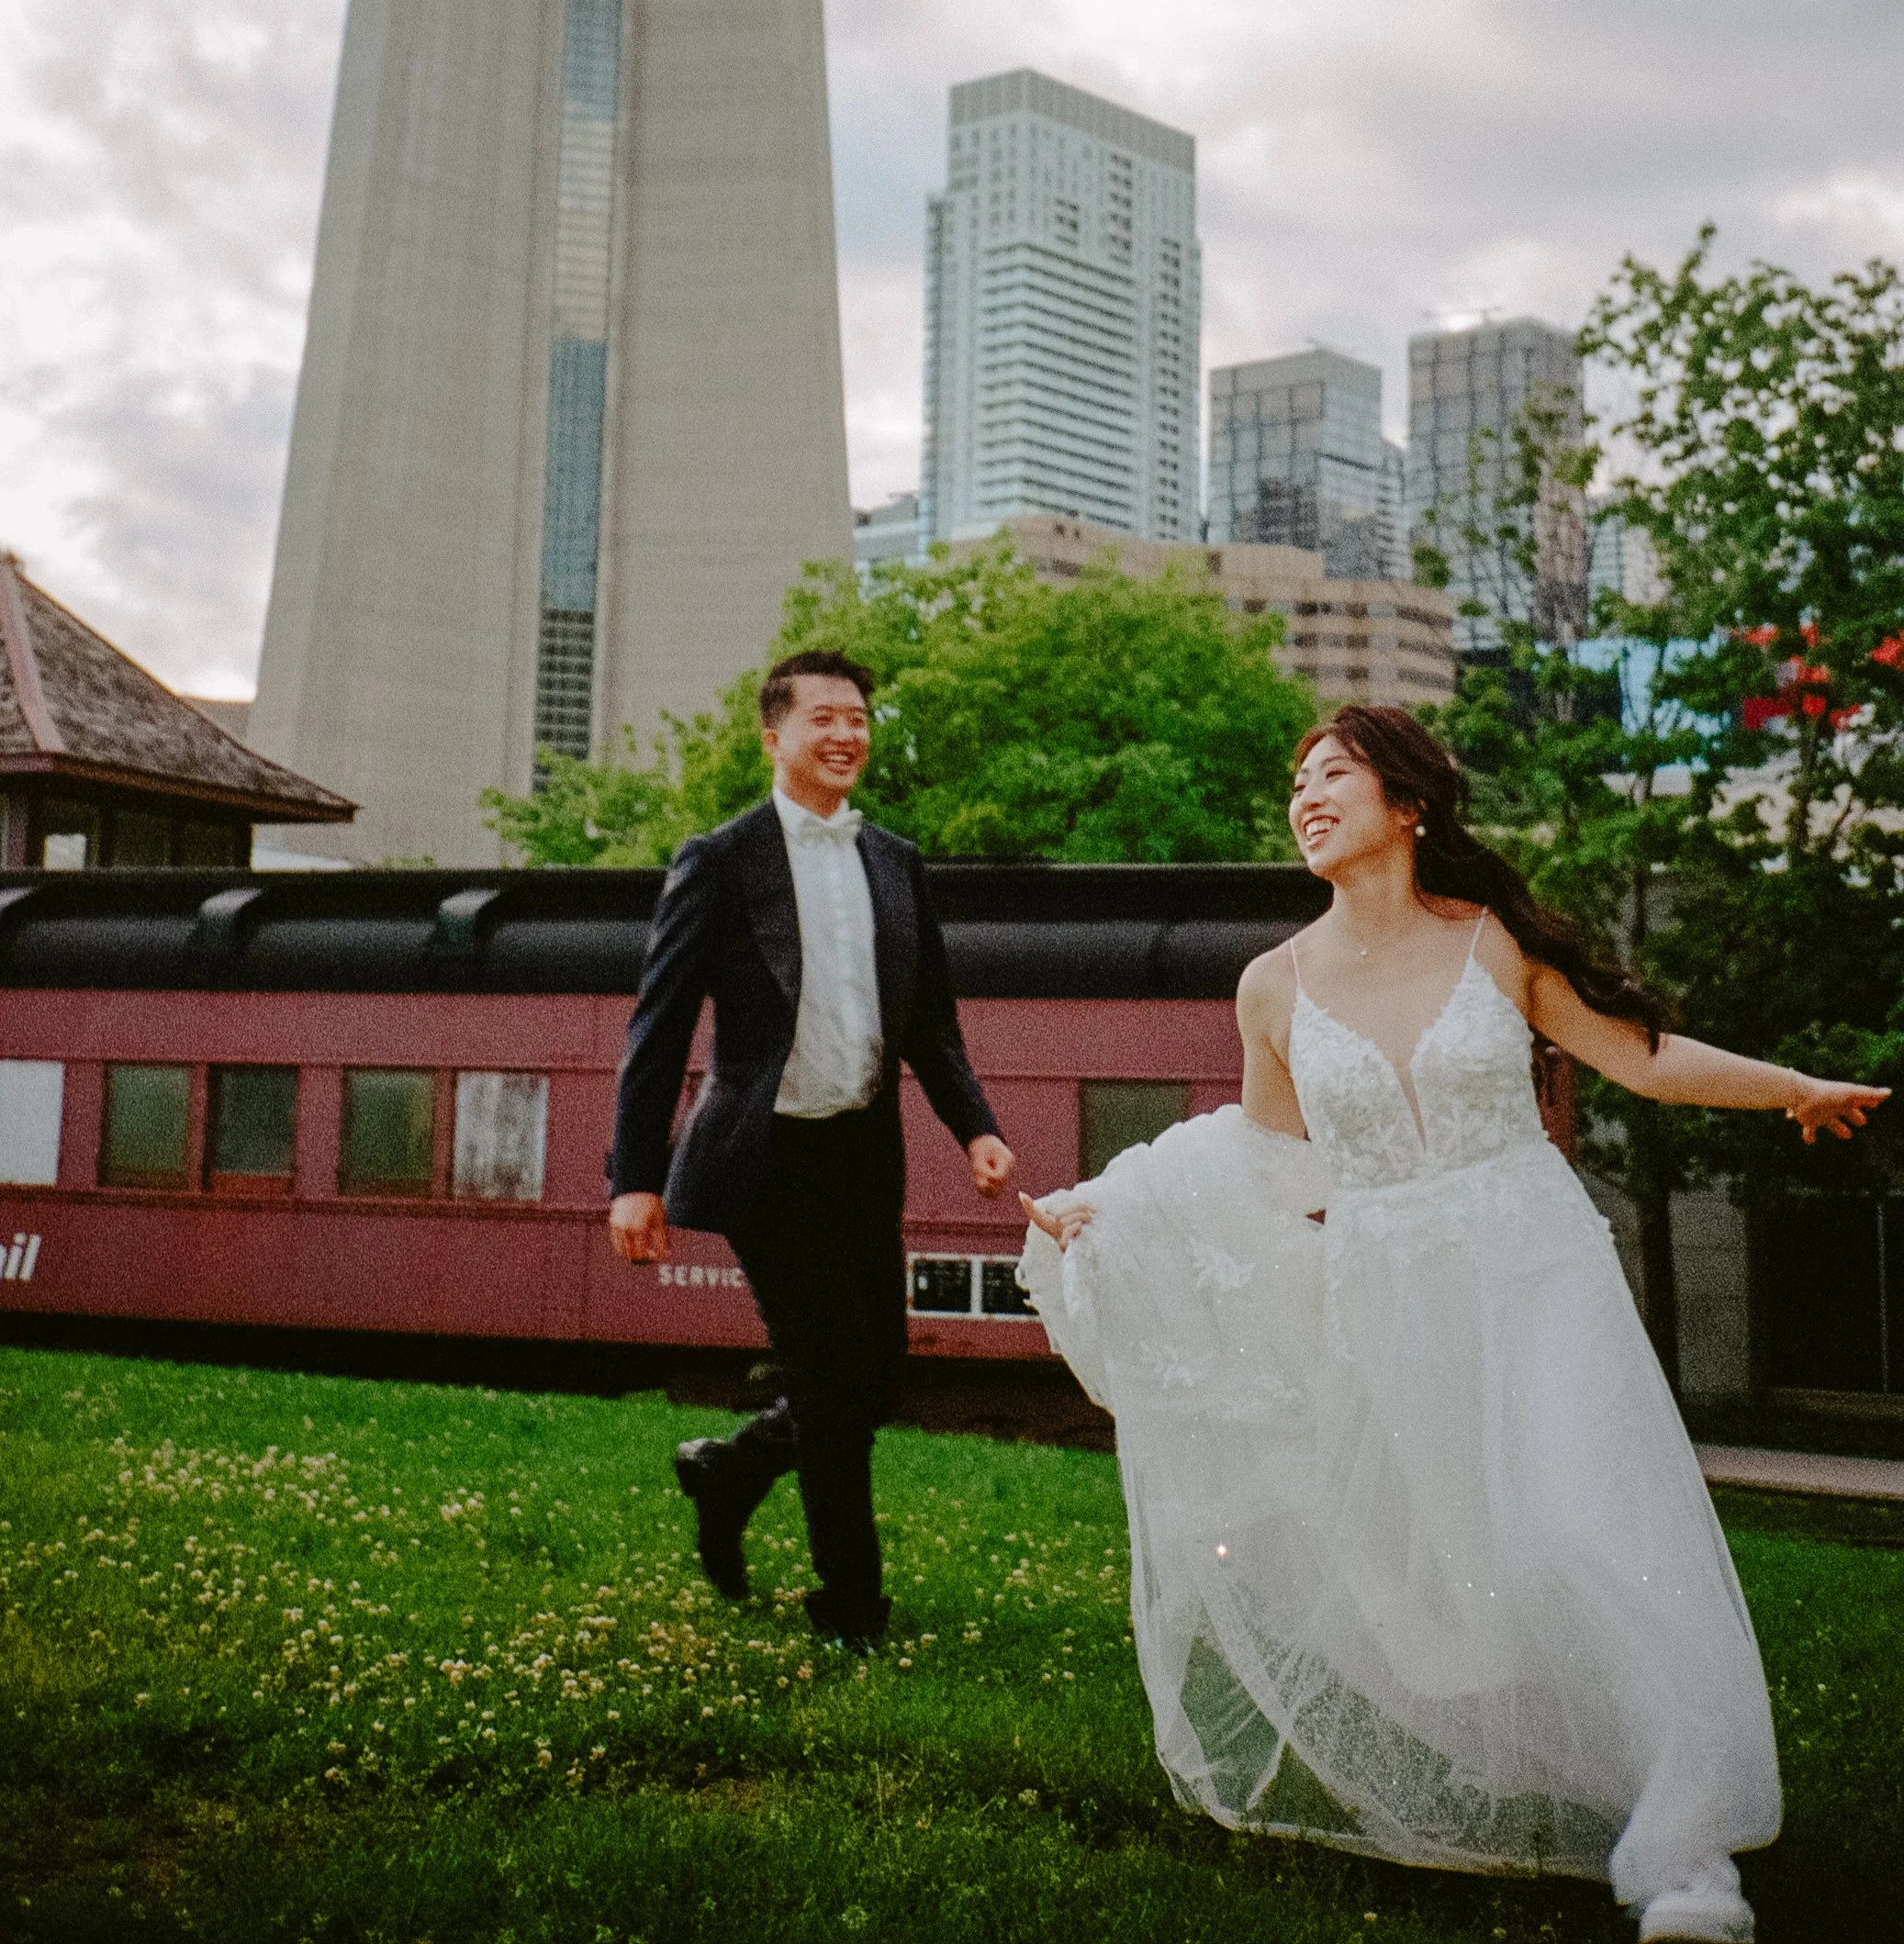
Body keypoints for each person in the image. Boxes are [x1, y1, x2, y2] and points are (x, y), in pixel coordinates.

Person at [1020, 705, 1887, 1944]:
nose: (1305, 797)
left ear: (1408, 803)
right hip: (1390, 1294)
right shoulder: (1272, 984)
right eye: (1295, 781)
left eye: (1334, 774)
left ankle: (1686, 1855)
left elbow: (1637, 1058)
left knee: (1587, 1524)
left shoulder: (1493, 941)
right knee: (1469, 1579)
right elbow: (1265, 1152)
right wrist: (1110, 1203)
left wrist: (1788, 1086)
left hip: (1534, 1268)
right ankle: (1603, 1779)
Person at [607, 648, 1014, 1649]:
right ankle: (850, 1608)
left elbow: (930, 1021)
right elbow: (656, 1030)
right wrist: (634, 1180)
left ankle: (729, 1468)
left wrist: (977, 1127)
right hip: (764, 1159)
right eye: (824, 717)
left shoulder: (894, 862)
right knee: (834, 1380)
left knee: (874, 1377)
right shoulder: (721, 858)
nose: (846, 735)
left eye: (860, 718)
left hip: (860, 1153)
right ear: (774, 735)